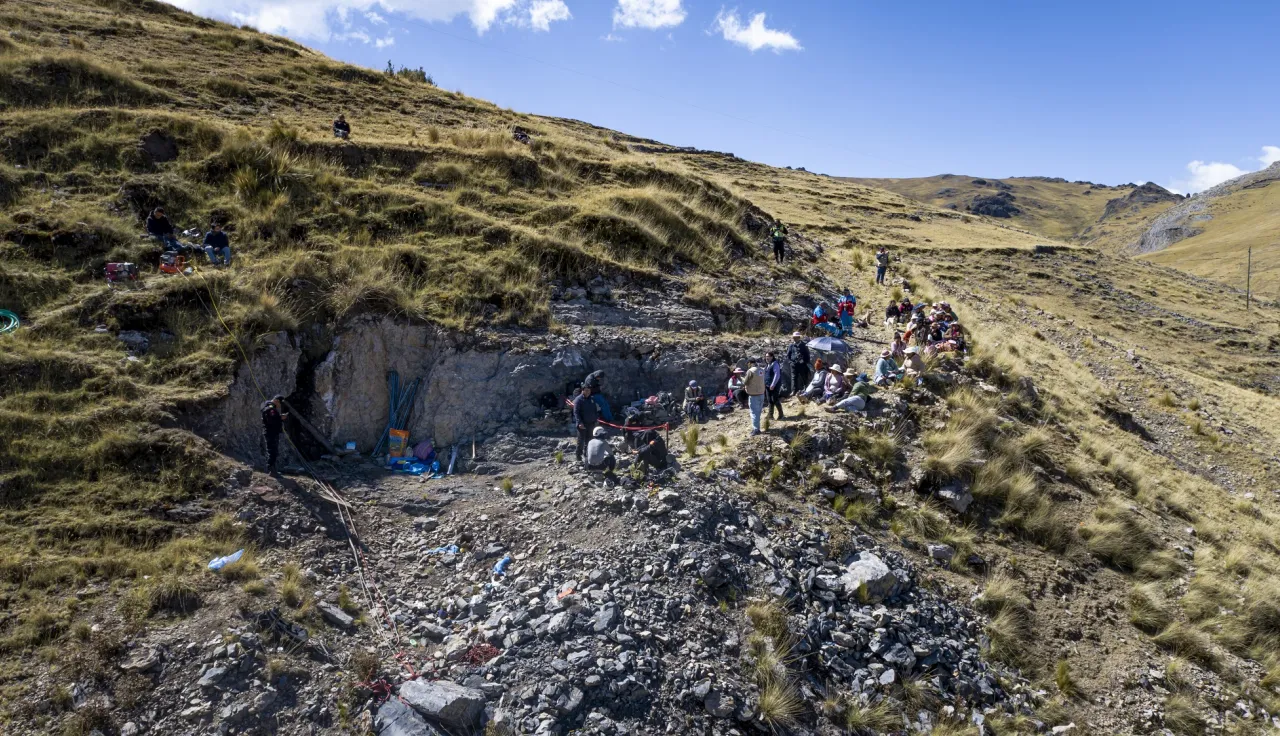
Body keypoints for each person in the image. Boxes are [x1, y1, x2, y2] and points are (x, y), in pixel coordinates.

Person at [261, 395, 289, 473]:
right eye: (280, 403)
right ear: (277, 401)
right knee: (272, 452)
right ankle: (271, 470)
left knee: (273, 451)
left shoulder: (270, 407)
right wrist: (280, 418)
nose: (280, 406)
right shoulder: (270, 408)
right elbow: (271, 421)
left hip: (272, 432)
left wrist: (279, 417)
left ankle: (272, 469)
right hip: (271, 432)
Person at [572, 383, 599, 463]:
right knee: (581, 441)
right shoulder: (578, 400)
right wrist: (579, 422)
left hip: (591, 423)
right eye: (586, 390)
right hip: (582, 424)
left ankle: (587, 454)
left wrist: (596, 419)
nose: (588, 392)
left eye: (589, 391)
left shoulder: (592, 399)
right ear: (582, 390)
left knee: (590, 440)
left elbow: (595, 410)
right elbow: (576, 412)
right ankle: (578, 456)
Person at [785, 332, 811, 401]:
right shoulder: (791, 345)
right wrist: (790, 362)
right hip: (793, 365)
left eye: (796, 337)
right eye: (794, 337)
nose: (794, 339)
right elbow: (788, 355)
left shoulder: (804, 345)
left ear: (799, 338)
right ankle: (793, 391)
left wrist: (804, 361)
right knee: (793, 378)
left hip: (802, 365)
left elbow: (807, 355)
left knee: (804, 377)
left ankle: (805, 389)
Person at [744, 358, 767, 435]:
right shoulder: (761, 370)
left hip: (753, 395)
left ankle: (756, 429)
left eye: (748, 364)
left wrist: (740, 378)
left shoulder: (750, 371)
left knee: (754, 413)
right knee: (758, 412)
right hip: (761, 394)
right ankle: (757, 427)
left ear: (749, 363)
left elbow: (746, 382)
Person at [764, 351, 785, 421]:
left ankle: (781, 414)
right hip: (767, 385)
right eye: (766, 357)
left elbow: (777, 375)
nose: (767, 358)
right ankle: (770, 415)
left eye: (768, 357)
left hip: (774, 385)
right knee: (769, 400)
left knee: (775, 399)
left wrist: (773, 384)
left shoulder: (775, 364)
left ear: (772, 357)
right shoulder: (767, 365)